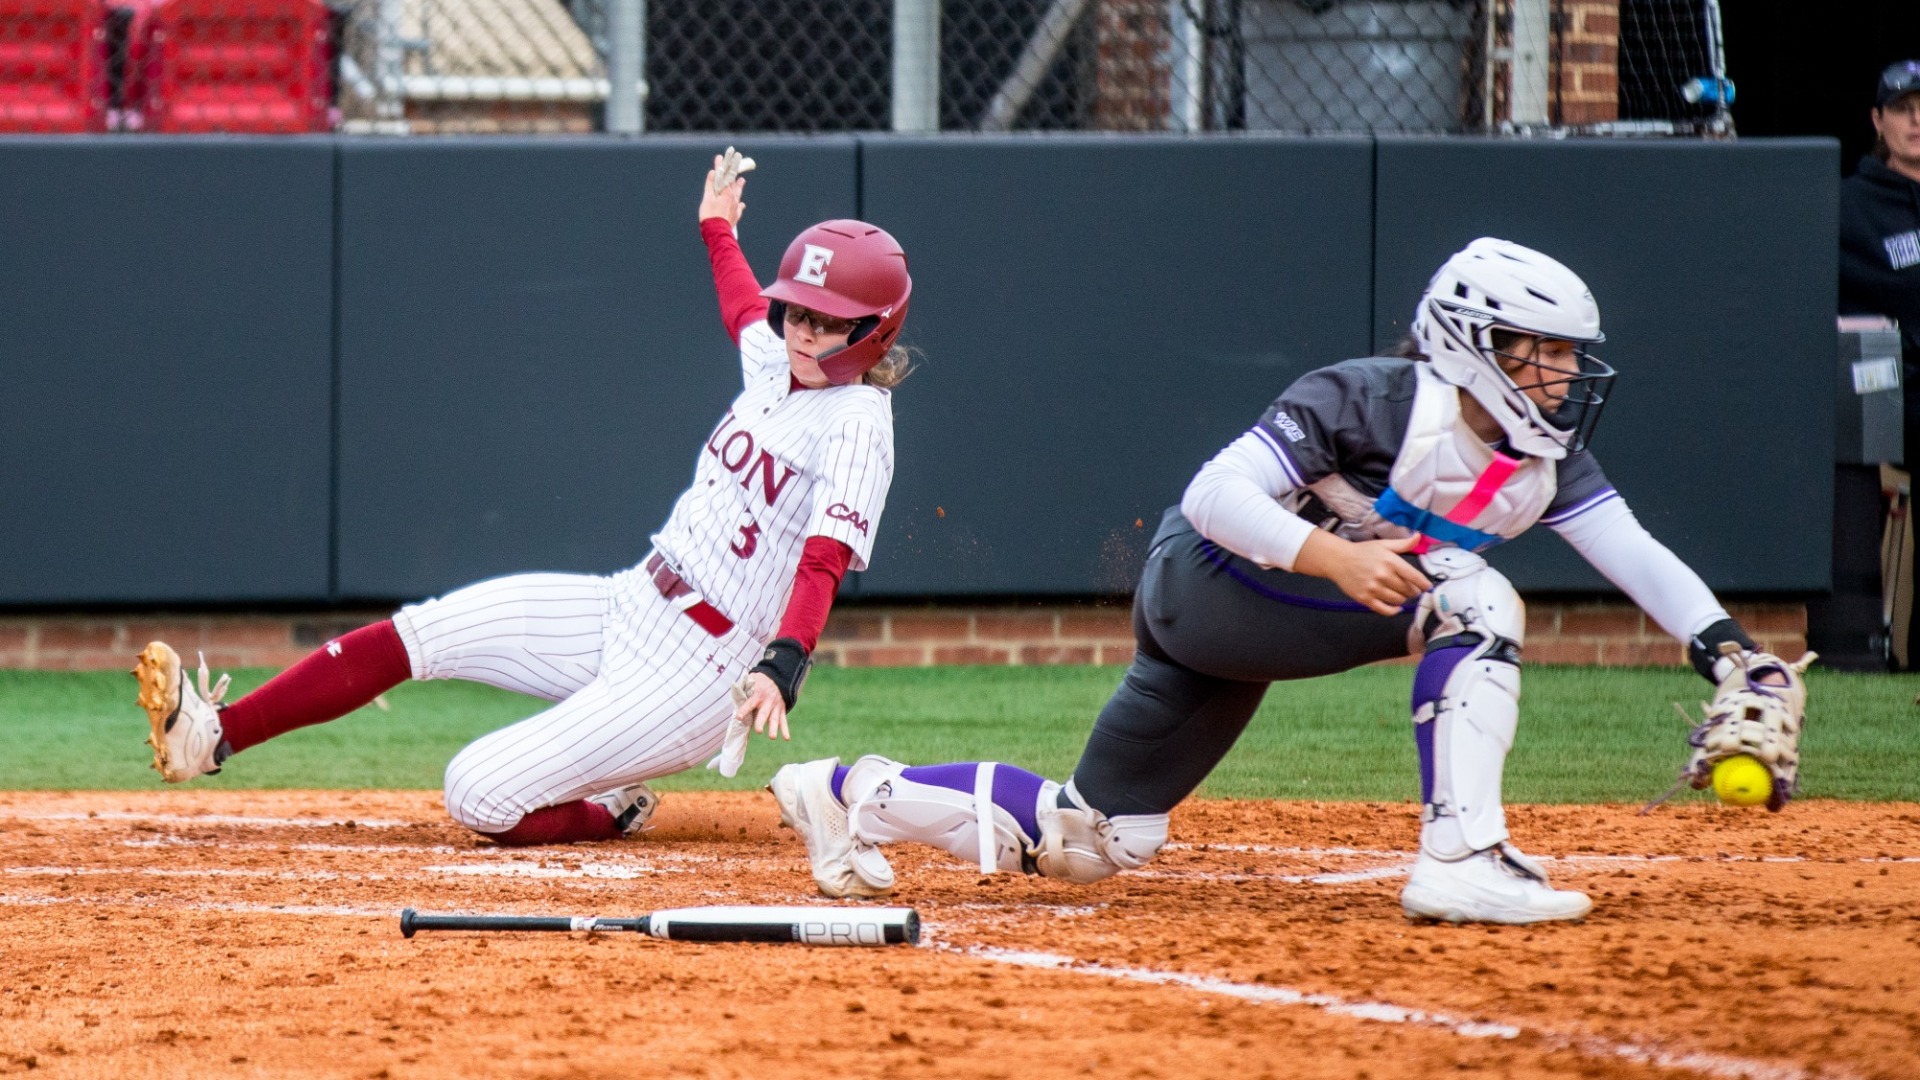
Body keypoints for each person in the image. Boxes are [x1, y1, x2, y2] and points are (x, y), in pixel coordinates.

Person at [770, 238, 1799, 925]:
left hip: (1261, 617)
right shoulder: (1366, 397)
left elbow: (1637, 554)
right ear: (1475, 344)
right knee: (1473, 596)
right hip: (1207, 581)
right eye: (1544, 354)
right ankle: (1461, 858)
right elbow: (1216, 496)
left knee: (1098, 839)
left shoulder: (1541, 460)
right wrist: (1333, 556)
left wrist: (1732, 652)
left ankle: (853, 793)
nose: (1564, 377)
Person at [134, 153, 912, 847]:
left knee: (476, 791)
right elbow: (745, 309)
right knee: (420, 632)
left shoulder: (856, 422)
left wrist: (786, 664)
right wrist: (716, 227)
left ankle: (612, 806)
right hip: (632, 603)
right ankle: (212, 737)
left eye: (827, 321)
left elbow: (824, 559)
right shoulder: (780, 361)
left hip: (701, 673)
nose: (804, 333)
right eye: (800, 312)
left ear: (873, 330)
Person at [1840, 59, 1920, 384]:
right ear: (1878, 120)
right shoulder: (1846, 205)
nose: (1917, 120)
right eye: (1902, 108)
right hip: (1891, 404)